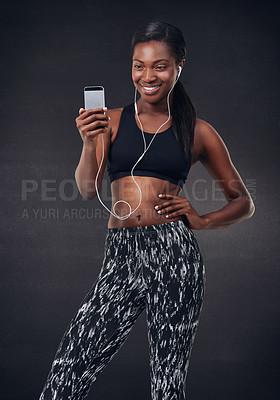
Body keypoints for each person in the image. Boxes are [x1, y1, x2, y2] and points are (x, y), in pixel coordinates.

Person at [39, 21, 255, 400]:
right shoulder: (112, 121)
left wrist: (202, 221)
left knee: (167, 381)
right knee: (69, 368)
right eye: (139, 65)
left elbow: (243, 202)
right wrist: (90, 143)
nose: (147, 75)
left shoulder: (198, 131)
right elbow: (89, 190)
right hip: (121, 255)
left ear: (179, 67)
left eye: (160, 65)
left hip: (174, 256)